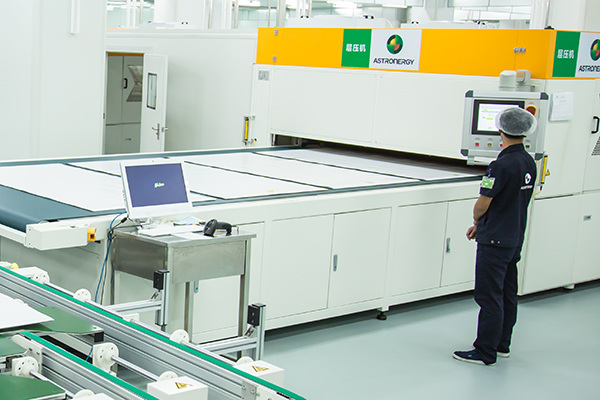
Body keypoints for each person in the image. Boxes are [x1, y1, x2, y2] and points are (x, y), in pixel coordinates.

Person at [453, 106, 538, 366]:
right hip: (513, 237)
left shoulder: (500, 165)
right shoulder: (528, 162)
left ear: (500, 130)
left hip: (494, 241)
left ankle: (485, 351)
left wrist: (478, 220)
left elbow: (484, 202)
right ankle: (502, 345)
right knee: (507, 293)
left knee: (488, 296)